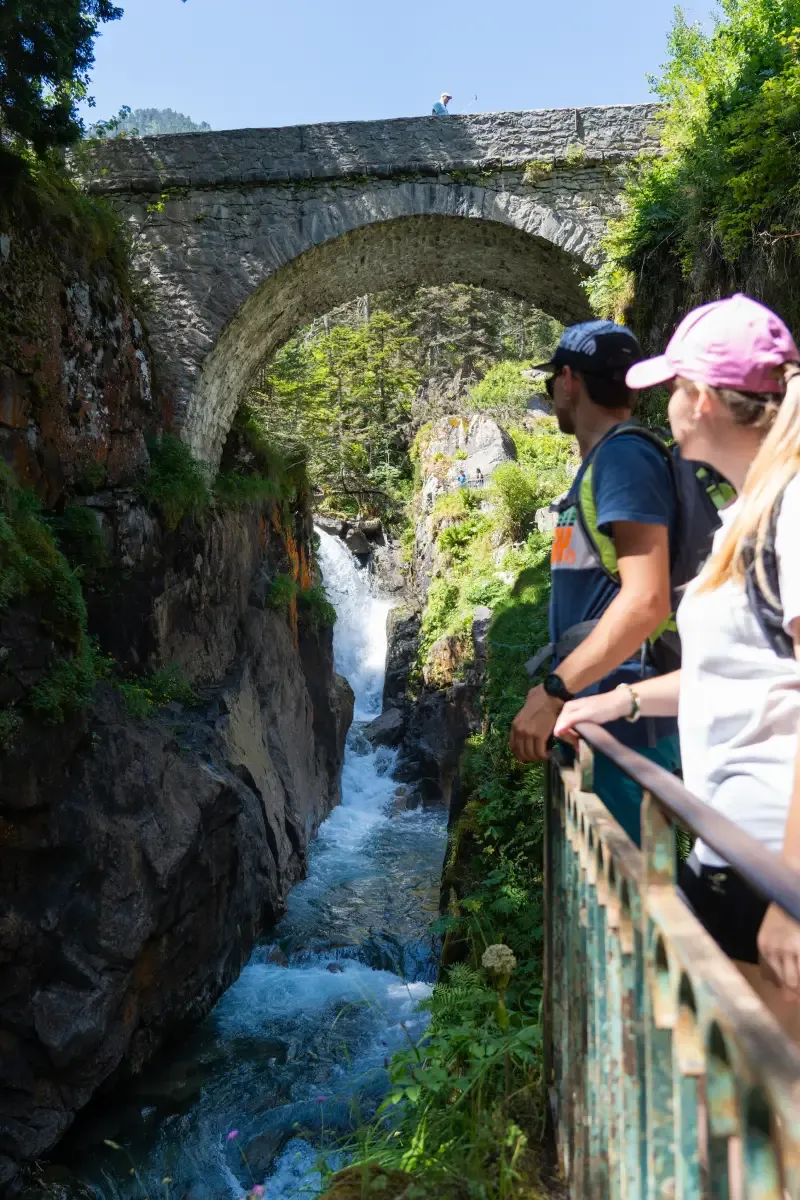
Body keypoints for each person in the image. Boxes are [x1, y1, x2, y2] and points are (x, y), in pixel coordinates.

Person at [554, 295, 800, 1034]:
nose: (662, 404)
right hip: (734, 847)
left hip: (772, 863)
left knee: (763, 1121)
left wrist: (790, 896)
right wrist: (615, 703)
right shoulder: (747, 513)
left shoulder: (791, 510)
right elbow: (741, 673)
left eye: (673, 389)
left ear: (701, 399)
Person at [509, 319, 681, 843]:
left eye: (550, 385)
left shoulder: (623, 459)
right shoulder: (603, 465)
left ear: (569, 381)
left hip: (628, 732)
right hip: (600, 725)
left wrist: (555, 691)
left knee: (632, 911)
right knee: (610, 907)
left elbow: (647, 599)